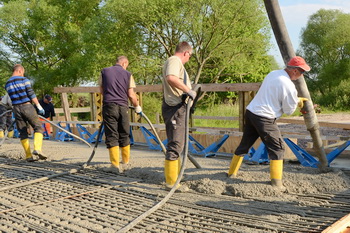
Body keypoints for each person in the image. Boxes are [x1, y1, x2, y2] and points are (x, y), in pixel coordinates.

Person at [227, 56, 311, 189]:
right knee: (278, 148)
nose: (302, 75)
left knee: (245, 144)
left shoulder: (273, 73)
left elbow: (272, 95)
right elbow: (289, 111)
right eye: (302, 72)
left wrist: (294, 99)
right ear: (294, 70)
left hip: (251, 112)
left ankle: (231, 173)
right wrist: (297, 102)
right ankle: (276, 183)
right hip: (264, 117)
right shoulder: (289, 86)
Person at [161, 41, 196, 191]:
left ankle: (175, 177)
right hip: (174, 107)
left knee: (178, 143)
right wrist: (188, 90)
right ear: (186, 53)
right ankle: (171, 183)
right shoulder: (174, 61)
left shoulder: (174, 63)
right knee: (175, 144)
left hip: (177, 107)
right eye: (190, 56)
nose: (189, 59)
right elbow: (171, 78)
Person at [100, 55, 142, 173]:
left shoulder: (104, 71)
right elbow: (131, 94)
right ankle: (125, 161)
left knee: (112, 134)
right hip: (123, 107)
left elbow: (101, 90)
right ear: (124, 63)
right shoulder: (128, 75)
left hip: (109, 106)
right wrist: (137, 107)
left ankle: (115, 165)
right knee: (124, 132)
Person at [5, 64, 47, 162]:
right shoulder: (24, 80)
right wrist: (38, 105)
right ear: (20, 71)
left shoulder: (7, 83)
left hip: (16, 109)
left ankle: (28, 156)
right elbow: (31, 93)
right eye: (22, 73)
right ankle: (37, 149)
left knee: (22, 132)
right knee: (38, 127)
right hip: (27, 106)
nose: (23, 74)